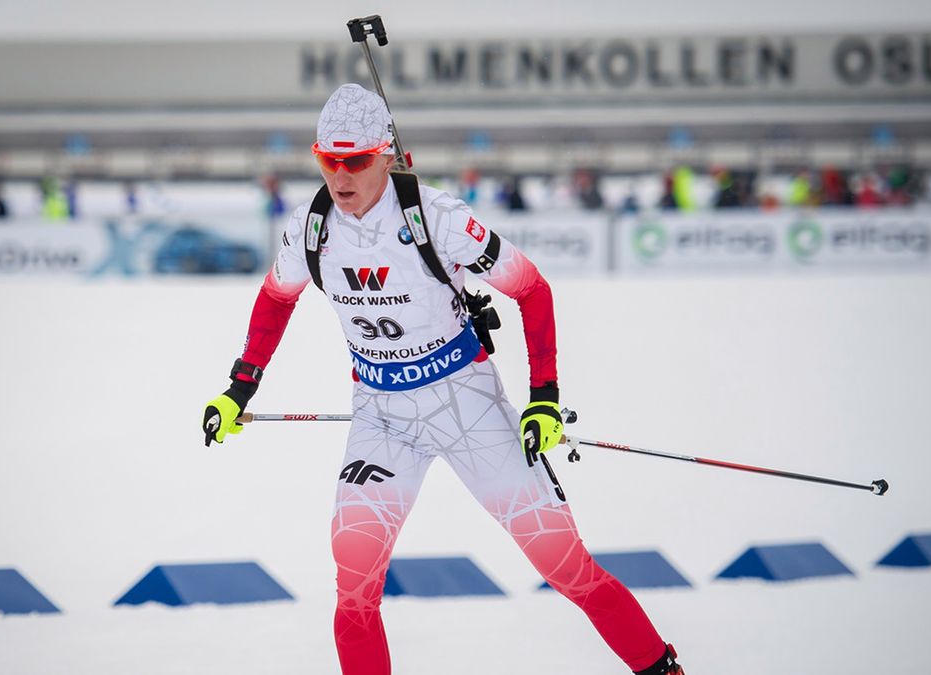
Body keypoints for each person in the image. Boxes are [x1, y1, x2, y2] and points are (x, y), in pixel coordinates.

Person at [201, 84, 685, 675]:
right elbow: (276, 299)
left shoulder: (438, 218)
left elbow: (532, 290)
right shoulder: (311, 228)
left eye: (355, 160)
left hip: (469, 408)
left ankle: (662, 669)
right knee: (353, 582)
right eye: (329, 160)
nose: (341, 175)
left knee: (565, 566)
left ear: (385, 153)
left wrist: (545, 402)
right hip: (381, 417)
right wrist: (238, 390)